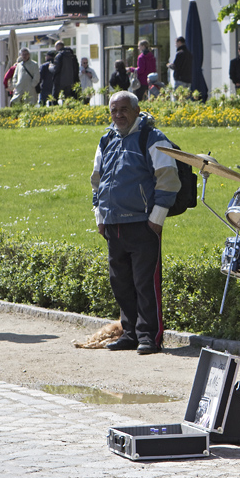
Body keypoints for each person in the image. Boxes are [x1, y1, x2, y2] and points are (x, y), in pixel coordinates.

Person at [91, 91, 181, 355]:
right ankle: (129, 333)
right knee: (120, 283)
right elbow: (97, 179)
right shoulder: (106, 139)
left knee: (145, 284)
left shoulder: (152, 138)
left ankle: (149, 337)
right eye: (113, 110)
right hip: (113, 223)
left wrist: (156, 219)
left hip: (143, 224)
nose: (118, 115)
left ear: (136, 110)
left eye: (124, 109)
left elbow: (168, 179)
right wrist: (100, 215)